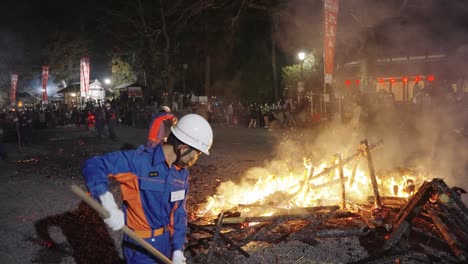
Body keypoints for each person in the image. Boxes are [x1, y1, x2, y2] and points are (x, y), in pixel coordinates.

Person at [82, 114, 213, 264]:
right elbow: (94, 164)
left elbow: (178, 215)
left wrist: (177, 250)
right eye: (197, 154)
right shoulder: (139, 162)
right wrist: (106, 200)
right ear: (183, 148)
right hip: (140, 247)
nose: (195, 160)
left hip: (166, 244)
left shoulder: (181, 174)